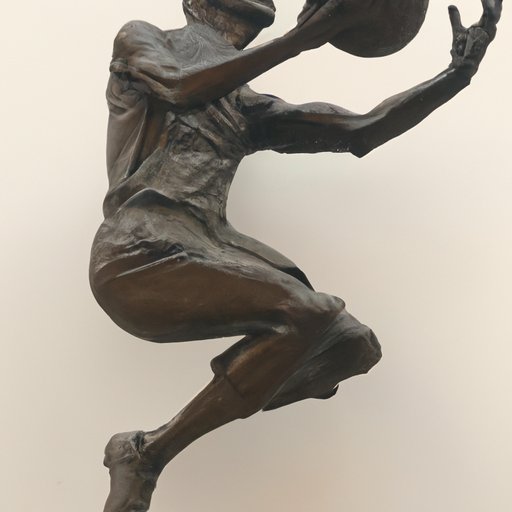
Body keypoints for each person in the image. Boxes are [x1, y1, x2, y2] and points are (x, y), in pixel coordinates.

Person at [89, 1, 501, 511]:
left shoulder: (245, 106)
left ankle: (148, 451)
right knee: (309, 314)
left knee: (349, 345)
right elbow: (180, 87)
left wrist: (454, 76)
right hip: (138, 250)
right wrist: (304, 39)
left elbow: (361, 129)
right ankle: (156, 453)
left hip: (203, 246)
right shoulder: (144, 40)